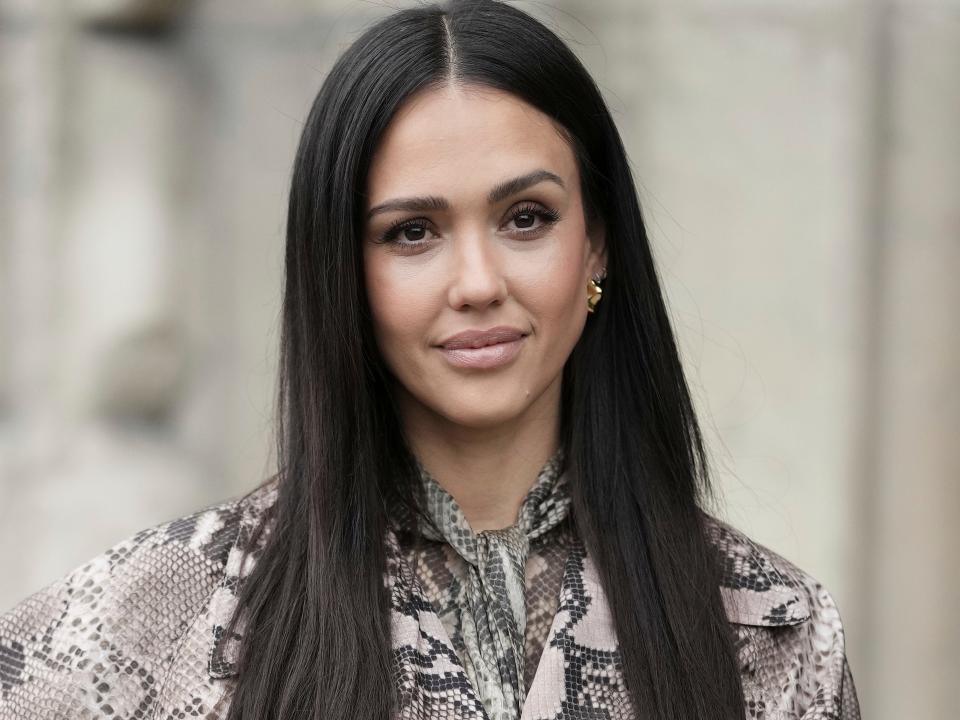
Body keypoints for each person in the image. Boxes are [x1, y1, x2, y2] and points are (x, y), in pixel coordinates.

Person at [0, 1, 861, 719]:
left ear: (596, 245)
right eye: (412, 232)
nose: (479, 283)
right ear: (342, 272)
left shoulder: (764, 628)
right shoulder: (169, 615)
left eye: (526, 218)